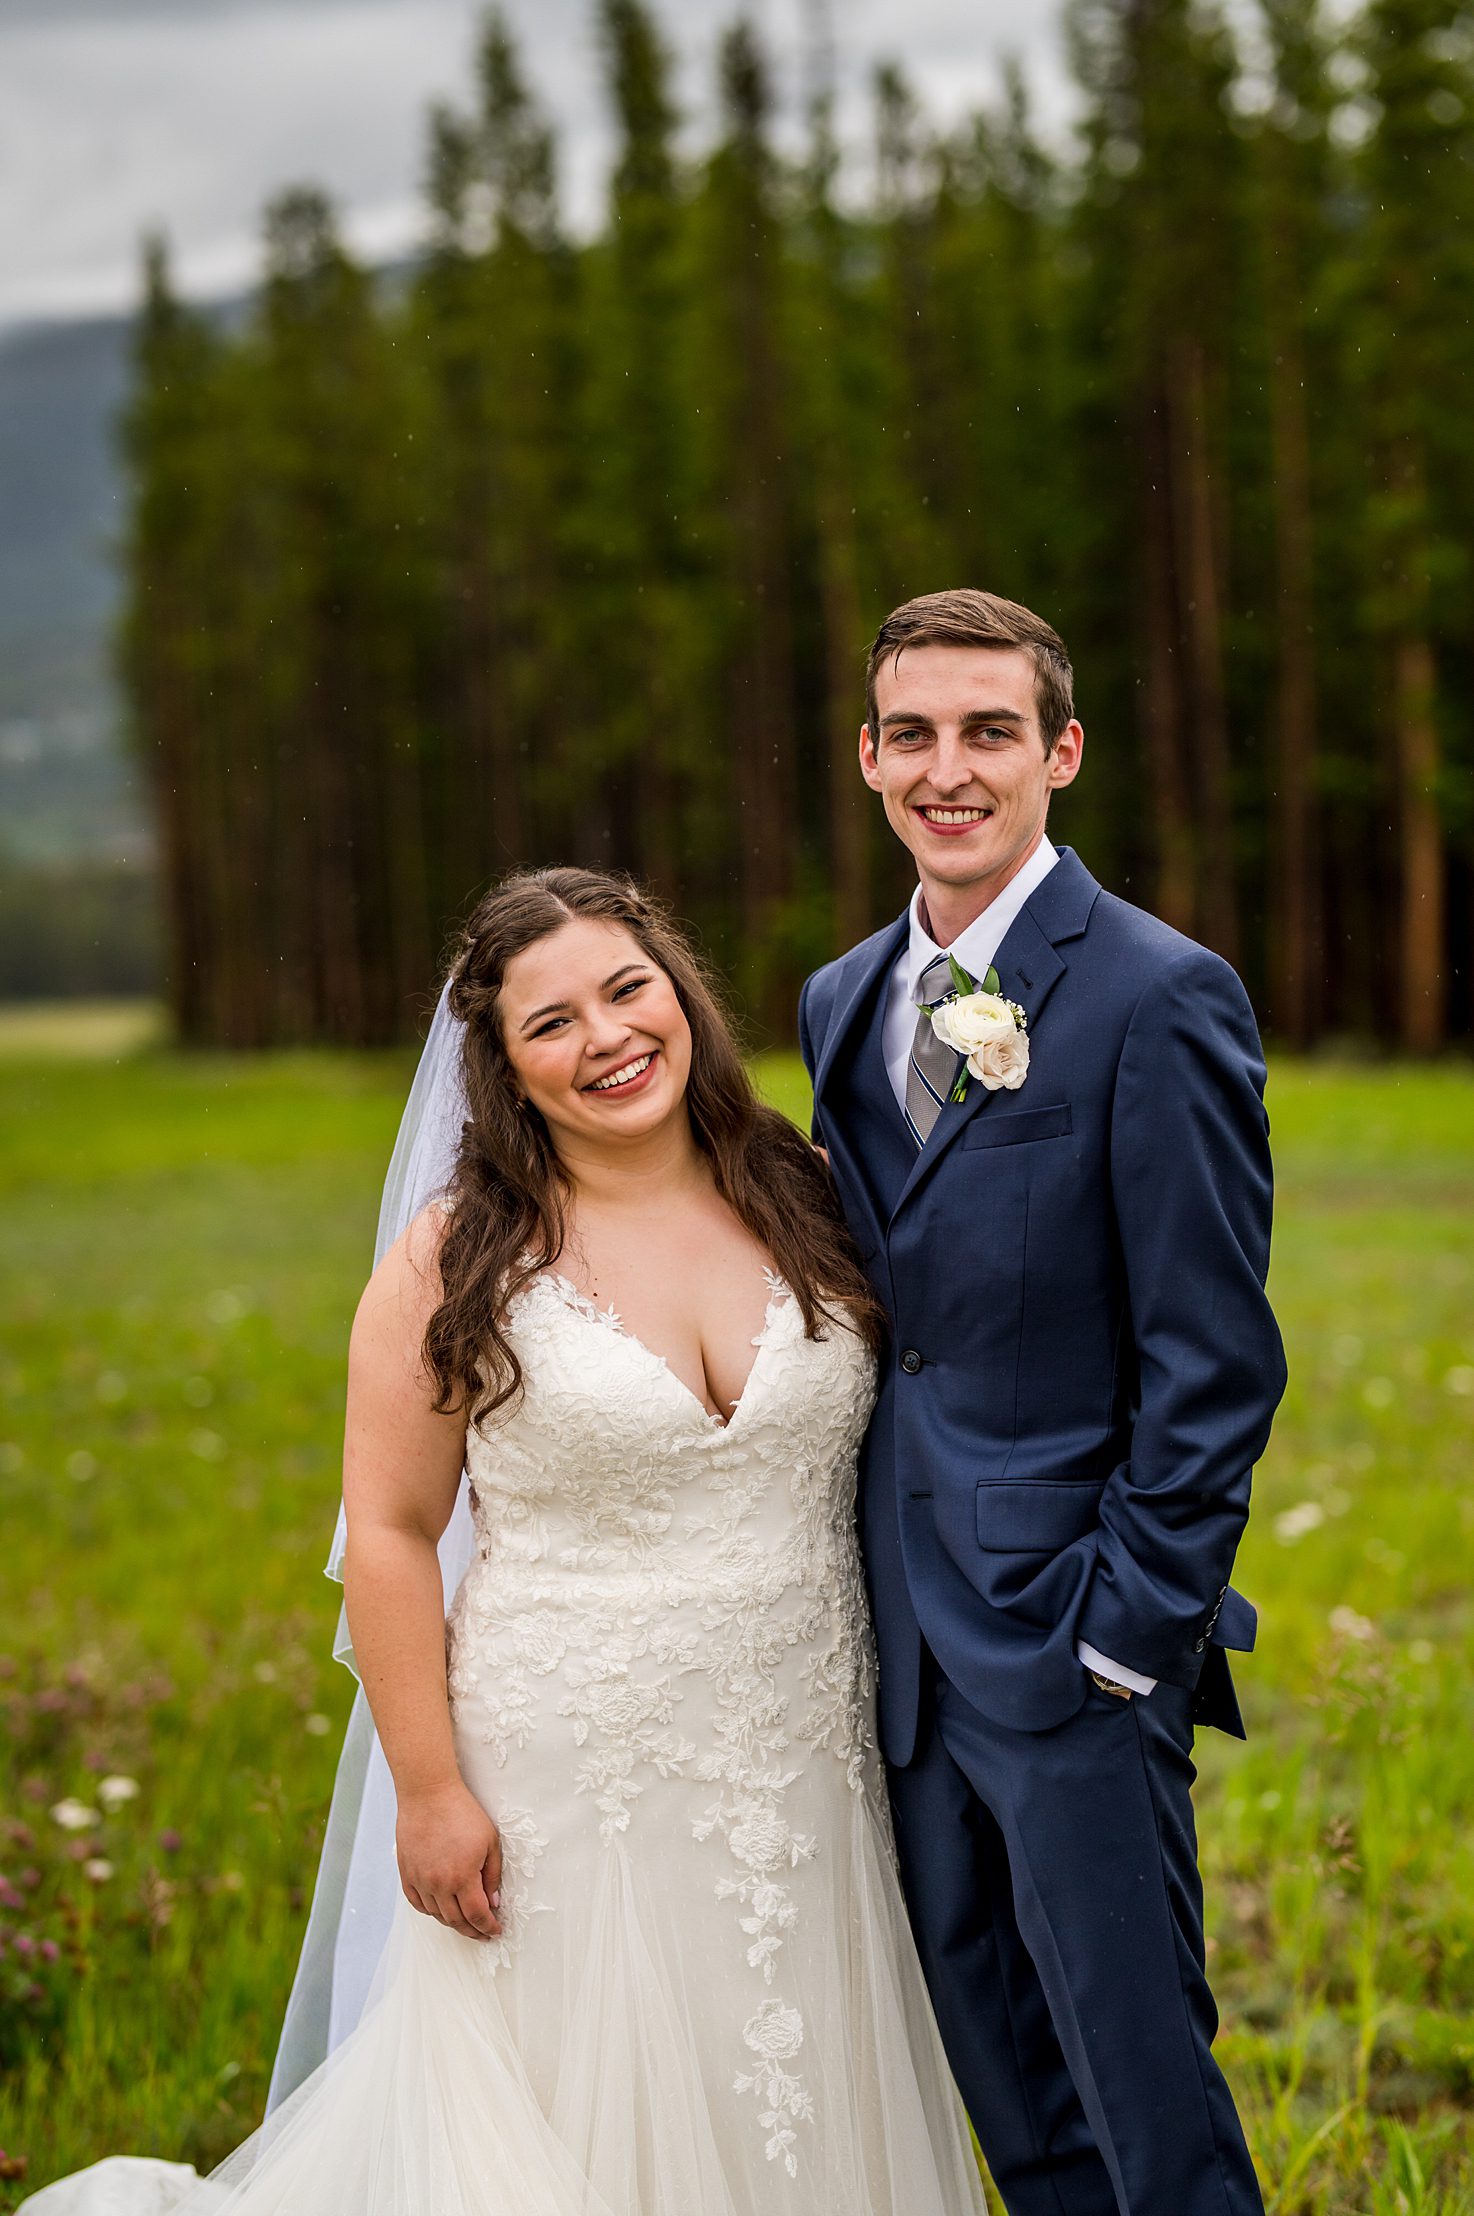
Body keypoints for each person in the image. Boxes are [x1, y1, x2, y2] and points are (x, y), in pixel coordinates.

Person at [20, 868, 986, 2216]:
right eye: (551, 1024)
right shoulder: (457, 1258)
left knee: (787, 2088)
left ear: (681, 995)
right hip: (563, 1776)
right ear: (505, 1070)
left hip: (806, 1757)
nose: (605, 1038)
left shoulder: (813, 1196)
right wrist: (429, 1789)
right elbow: (396, 1530)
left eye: (625, 991)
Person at [799, 589, 1286, 2216]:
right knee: (1010, 2093)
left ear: (1058, 752)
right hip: (902, 1655)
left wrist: (1125, 1630)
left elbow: (1211, 1358)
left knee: (1145, 2101)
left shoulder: (1158, 994)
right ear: (868, 757)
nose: (951, 769)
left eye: (990, 732)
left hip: (1076, 1642)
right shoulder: (836, 998)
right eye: (915, 734)